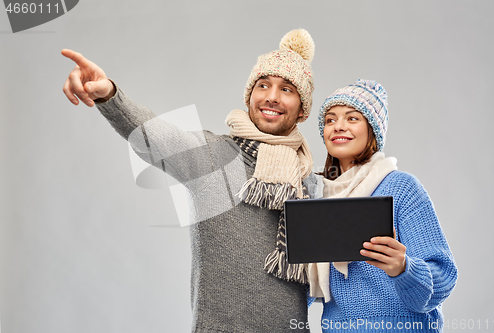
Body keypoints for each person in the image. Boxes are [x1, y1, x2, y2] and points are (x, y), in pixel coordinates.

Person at [62, 29, 318, 332]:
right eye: (263, 85)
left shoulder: (309, 185)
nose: (272, 97)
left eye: (287, 89)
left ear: (302, 111)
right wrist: (108, 95)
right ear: (250, 96)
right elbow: (154, 135)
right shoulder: (213, 157)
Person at [309, 79, 458, 332]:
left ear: (373, 131)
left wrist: (404, 268)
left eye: (352, 118)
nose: (338, 126)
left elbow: (443, 276)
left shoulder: (400, 188)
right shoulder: (315, 196)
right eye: (330, 120)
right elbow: (297, 289)